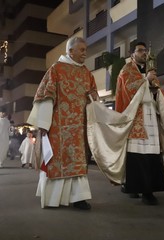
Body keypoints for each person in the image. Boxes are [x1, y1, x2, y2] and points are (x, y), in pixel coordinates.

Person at [27, 36, 97, 210]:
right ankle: (52, 199)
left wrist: (93, 98)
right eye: (81, 50)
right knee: (57, 162)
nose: (84, 53)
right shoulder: (56, 69)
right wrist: (43, 123)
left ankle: (79, 198)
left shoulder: (86, 72)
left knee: (78, 163)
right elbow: (46, 96)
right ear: (70, 51)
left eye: (85, 50)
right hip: (59, 127)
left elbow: (93, 95)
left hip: (79, 127)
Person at [115, 42, 164, 205]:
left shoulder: (150, 71)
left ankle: (148, 190)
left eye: (145, 50)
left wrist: (155, 88)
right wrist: (146, 80)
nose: (144, 53)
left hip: (151, 115)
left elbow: (157, 90)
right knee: (137, 156)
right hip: (135, 116)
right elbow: (129, 90)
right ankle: (137, 187)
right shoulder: (127, 70)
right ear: (132, 54)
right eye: (140, 50)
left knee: (151, 155)